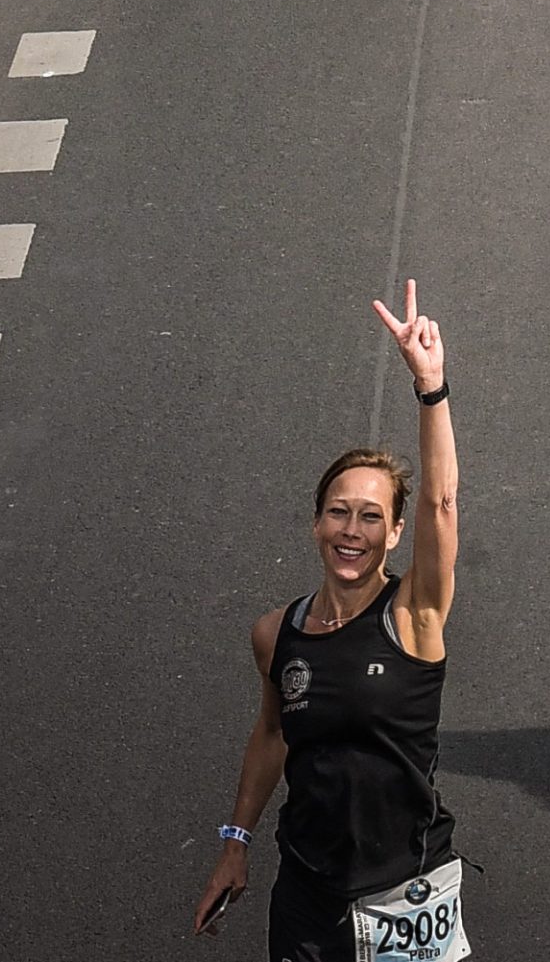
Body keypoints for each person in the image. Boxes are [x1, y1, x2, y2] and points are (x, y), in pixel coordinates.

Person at [192, 290, 461, 949]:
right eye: (339, 511)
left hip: (405, 893)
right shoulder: (275, 634)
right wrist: (235, 841)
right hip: (307, 891)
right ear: (317, 522)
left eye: (372, 516)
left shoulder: (414, 614)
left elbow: (442, 500)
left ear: (395, 531)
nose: (352, 530)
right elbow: (272, 732)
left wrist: (431, 387)